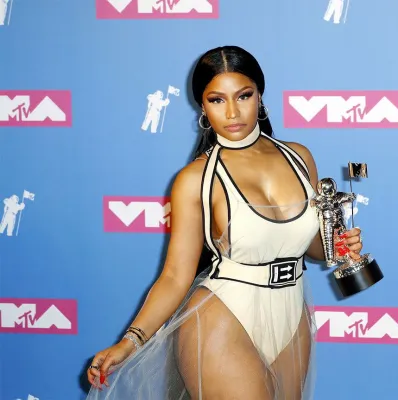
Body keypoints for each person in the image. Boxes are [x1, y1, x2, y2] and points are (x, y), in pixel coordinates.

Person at [85, 45, 364, 400]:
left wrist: (336, 244)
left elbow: (309, 246)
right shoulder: (195, 179)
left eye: (243, 96)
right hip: (224, 316)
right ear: (202, 107)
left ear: (260, 96)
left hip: (292, 315)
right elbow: (175, 275)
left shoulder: (299, 157)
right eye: (217, 100)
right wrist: (130, 341)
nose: (232, 112)